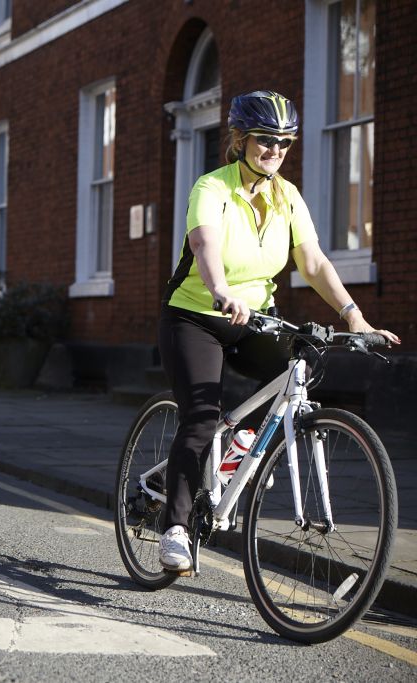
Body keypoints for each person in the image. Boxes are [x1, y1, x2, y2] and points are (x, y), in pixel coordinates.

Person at [156, 90, 401, 573]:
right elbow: (204, 245)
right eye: (266, 140)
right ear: (241, 139)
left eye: (285, 143)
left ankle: (238, 455)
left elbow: (312, 261)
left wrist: (353, 314)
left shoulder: (286, 195)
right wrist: (221, 289)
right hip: (196, 316)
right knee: (203, 417)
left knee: (298, 373)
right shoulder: (212, 187)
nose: (275, 150)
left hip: (255, 319)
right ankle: (175, 528)